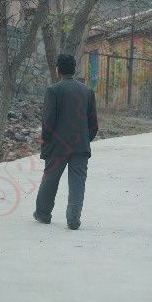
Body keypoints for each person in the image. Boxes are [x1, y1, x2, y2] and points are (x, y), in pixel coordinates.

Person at [34, 54, 98, 230]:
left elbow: (48, 121)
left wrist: (46, 140)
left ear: (58, 70)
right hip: (80, 146)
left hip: (57, 146)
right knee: (78, 182)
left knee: (50, 179)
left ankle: (43, 214)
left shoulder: (53, 90)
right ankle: (73, 220)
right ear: (74, 69)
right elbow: (93, 124)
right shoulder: (88, 92)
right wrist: (84, 139)